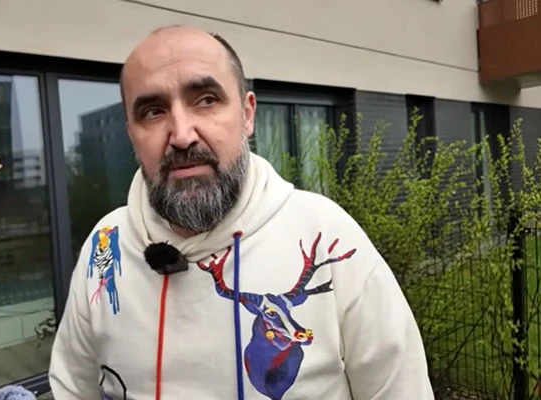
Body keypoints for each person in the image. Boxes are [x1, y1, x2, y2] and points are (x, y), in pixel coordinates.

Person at [48, 25, 435, 400]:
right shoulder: (105, 249)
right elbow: (72, 389)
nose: (181, 135)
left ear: (247, 114)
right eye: (152, 111)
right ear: (131, 133)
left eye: (206, 100)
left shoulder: (326, 237)